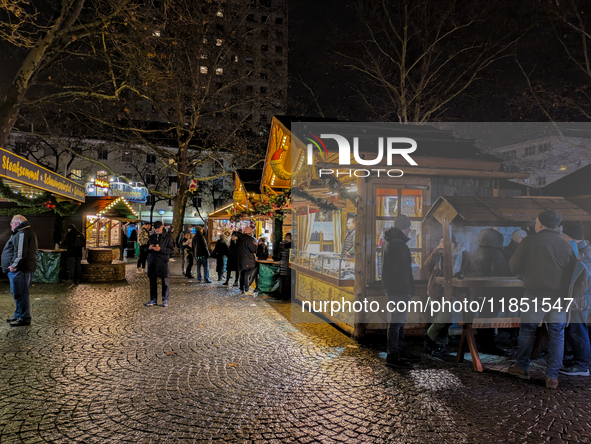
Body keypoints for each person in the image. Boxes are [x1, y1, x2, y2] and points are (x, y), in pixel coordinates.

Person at [508, 210, 577, 389]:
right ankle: (552, 377)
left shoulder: (530, 240)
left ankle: (522, 367)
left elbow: (514, 265)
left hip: (534, 293)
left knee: (527, 331)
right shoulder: (567, 244)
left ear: (539, 224)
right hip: (560, 297)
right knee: (557, 335)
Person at [423, 235, 478, 355]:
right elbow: (427, 267)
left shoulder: (463, 254)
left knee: (446, 318)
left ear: (454, 243)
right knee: (439, 318)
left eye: (446, 243)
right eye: (441, 242)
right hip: (435, 288)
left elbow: (473, 271)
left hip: (452, 290)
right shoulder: (437, 254)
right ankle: (440, 345)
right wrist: (435, 253)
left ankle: (429, 337)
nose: (443, 246)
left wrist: (461, 275)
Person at [382, 215, 419, 369]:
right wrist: (407, 289)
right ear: (406, 227)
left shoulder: (390, 241)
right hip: (399, 289)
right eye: (409, 227)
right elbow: (402, 270)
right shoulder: (398, 243)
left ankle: (401, 350)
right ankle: (393, 355)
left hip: (393, 288)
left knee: (399, 321)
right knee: (397, 321)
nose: (410, 230)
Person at [472, 228, 512, 356]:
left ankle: (482, 343)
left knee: (483, 317)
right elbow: (501, 274)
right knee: (488, 318)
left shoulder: (477, 251)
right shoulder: (496, 253)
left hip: (479, 291)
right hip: (493, 292)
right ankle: (488, 345)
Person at [560, 221, 591, 376]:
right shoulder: (584, 250)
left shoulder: (584, 255)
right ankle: (578, 360)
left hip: (580, 300)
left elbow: (584, 281)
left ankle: (582, 365)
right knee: (576, 330)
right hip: (580, 299)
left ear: (571, 238)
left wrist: (576, 300)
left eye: (563, 236)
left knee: (578, 331)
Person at [2, 215, 38, 326]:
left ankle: (24, 317)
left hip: (20, 270)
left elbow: (20, 252)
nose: (11, 226)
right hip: (22, 269)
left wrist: (13, 266)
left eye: (11, 224)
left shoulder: (22, 233)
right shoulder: (26, 232)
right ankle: (19, 314)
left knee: (20, 294)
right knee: (19, 293)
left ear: (17, 223)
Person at [145, 221, 174, 307]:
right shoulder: (152, 237)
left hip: (163, 262)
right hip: (152, 261)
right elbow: (145, 250)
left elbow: (171, 250)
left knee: (165, 281)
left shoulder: (168, 237)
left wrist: (160, 249)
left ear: (162, 227)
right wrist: (149, 248)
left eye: (158, 228)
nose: (157, 230)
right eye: (155, 228)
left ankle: (165, 299)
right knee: (152, 282)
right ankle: (153, 299)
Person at [237, 226, 258, 296]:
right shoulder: (250, 239)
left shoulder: (239, 239)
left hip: (241, 259)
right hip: (248, 259)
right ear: (250, 233)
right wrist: (255, 246)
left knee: (242, 274)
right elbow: (253, 250)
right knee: (247, 274)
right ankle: (247, 289)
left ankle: (241, 288)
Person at [278, 233, 292, 299]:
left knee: (282, 280)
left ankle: (281, 294)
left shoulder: (281, 244)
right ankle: (286, 295)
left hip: (282, 263)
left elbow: (279, 255)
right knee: (287, 280)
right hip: (288, 265)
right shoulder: (291, 245)